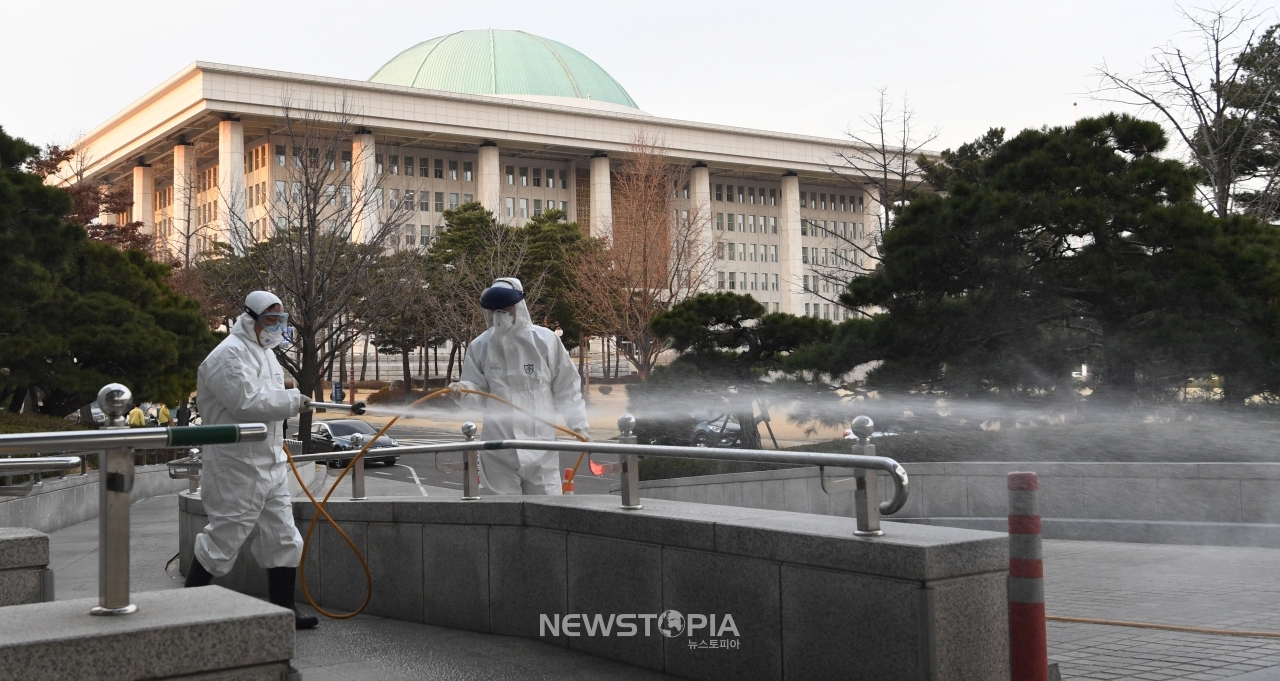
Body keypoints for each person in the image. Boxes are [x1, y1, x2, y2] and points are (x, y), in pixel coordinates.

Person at [184, 291, 317, 630]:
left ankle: (285, 612)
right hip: (236, 466)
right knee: (224, 540)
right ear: (249, 317)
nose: (277, 325)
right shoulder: (226, 355)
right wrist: (292, 401)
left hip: (269, 463)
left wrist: (289, 402)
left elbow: (267, 402)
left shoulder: (266, 354)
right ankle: (182, 609)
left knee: (284, 538)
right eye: (270, 318)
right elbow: (246, 402)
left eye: (281, 319)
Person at [449, 277, 589, 495]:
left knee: (546, 512)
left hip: (541, 449)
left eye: (505, 308)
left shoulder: (545, 341)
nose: (500, 314)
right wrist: (463, 392)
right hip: (498, 450)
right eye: (495, 309)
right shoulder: (480, 347)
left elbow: (567, 387)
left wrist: (578, 424)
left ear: (519, 307)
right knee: (503, 516)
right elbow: (477, 389)